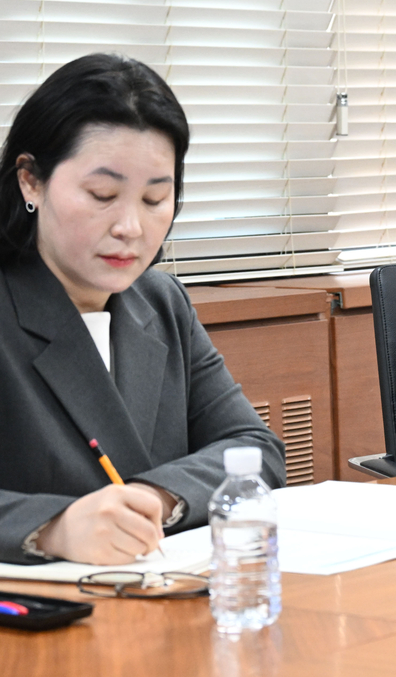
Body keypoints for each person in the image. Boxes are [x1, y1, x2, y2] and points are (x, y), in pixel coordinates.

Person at [0, 55, 285, 566]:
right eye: (102, 194)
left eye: (155, 199)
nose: (130, 227)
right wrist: (53, 529)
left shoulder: (161, 301)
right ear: (30, 181)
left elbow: (254, 449)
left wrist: (157, 498)